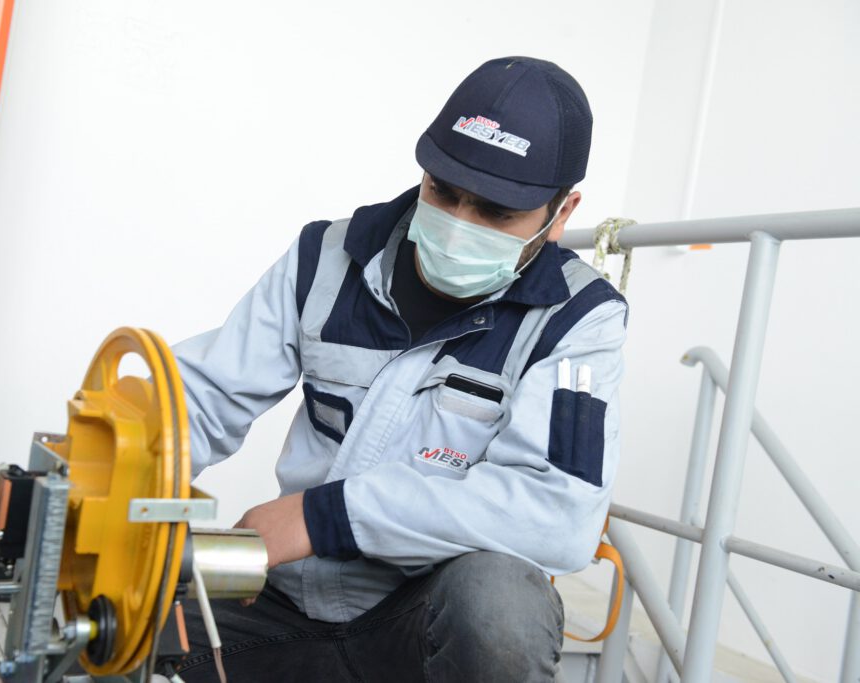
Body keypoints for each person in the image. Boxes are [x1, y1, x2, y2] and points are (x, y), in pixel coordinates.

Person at [161, 56, 628, 682]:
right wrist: (125, 465)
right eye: (444, 192)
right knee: (112, 625)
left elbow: (557, 514)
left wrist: (322, 517)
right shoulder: (326, 258)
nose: (458, 226)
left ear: (561, 212)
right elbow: (204, 397)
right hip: (281, 604)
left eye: (496, 212)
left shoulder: (578, 322)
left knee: (500, 605)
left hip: (419, 629)